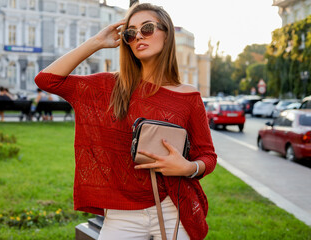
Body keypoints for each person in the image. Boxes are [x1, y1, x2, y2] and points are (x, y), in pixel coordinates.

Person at [35, 3, 217, 240]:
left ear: (167, 34)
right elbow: (47, 80)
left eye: (148, 28)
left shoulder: (188, 96)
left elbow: (207, 155)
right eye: (130, 33)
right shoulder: (109, 87)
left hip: (172, 207)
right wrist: (97, 42)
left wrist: (188, 168)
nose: (138, 35)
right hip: (121, 214)